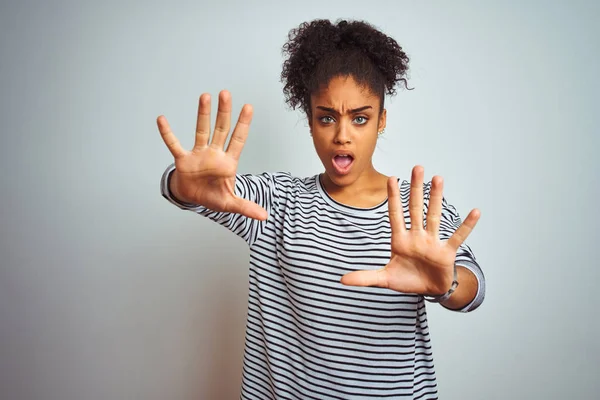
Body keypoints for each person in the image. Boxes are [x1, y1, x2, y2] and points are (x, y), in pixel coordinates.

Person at [157, 18, 485, 400]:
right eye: (326, 117)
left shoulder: (417, 206)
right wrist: (185, 186)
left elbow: (473, 288)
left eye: (360, 118)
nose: (342, 135)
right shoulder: (277, 201)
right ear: (310, 120)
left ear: (382, 120)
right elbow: (191, 189)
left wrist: (448, 284)